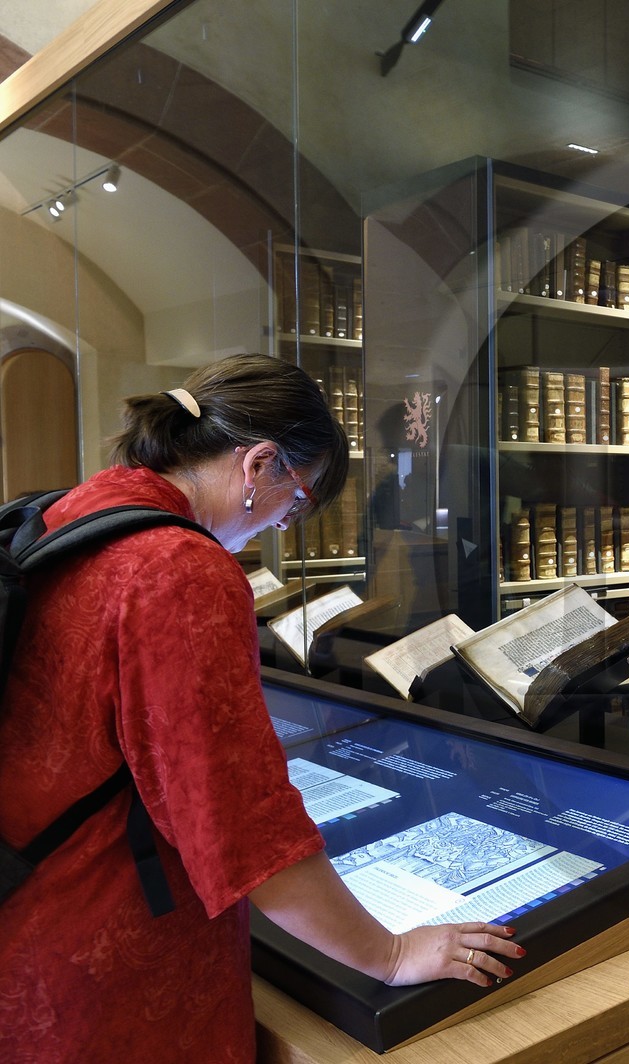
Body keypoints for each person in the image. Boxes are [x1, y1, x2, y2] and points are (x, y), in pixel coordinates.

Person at [0, 355, 522, 1063]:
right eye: (298, 499)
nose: (284, 524)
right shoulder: (179, 569)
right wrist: (390, 952)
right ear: (259, 466)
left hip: (31, 915)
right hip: (111, 956)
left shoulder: (73, 512)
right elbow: (236, 818)